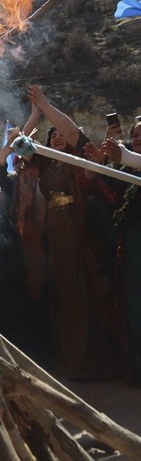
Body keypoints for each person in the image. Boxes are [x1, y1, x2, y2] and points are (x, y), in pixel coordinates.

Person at [11, 85, 119, 380]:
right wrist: (34, 114)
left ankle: (84, 364)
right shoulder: (45, 162)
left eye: (60, 134)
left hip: (76, 228)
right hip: (54, 235)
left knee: (78, 290)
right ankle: (66, 361)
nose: (57, 136)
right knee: (60, 292)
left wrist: (46, 106)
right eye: (52, 134)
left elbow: (72, 132)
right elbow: (17, 143)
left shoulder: (77, 156)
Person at [105, 121, 141, 387]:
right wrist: (104, 161)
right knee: (134, 306)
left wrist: (126, 156)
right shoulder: (123, 168)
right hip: (132, 241)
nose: (138, 138)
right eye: (135, 135)